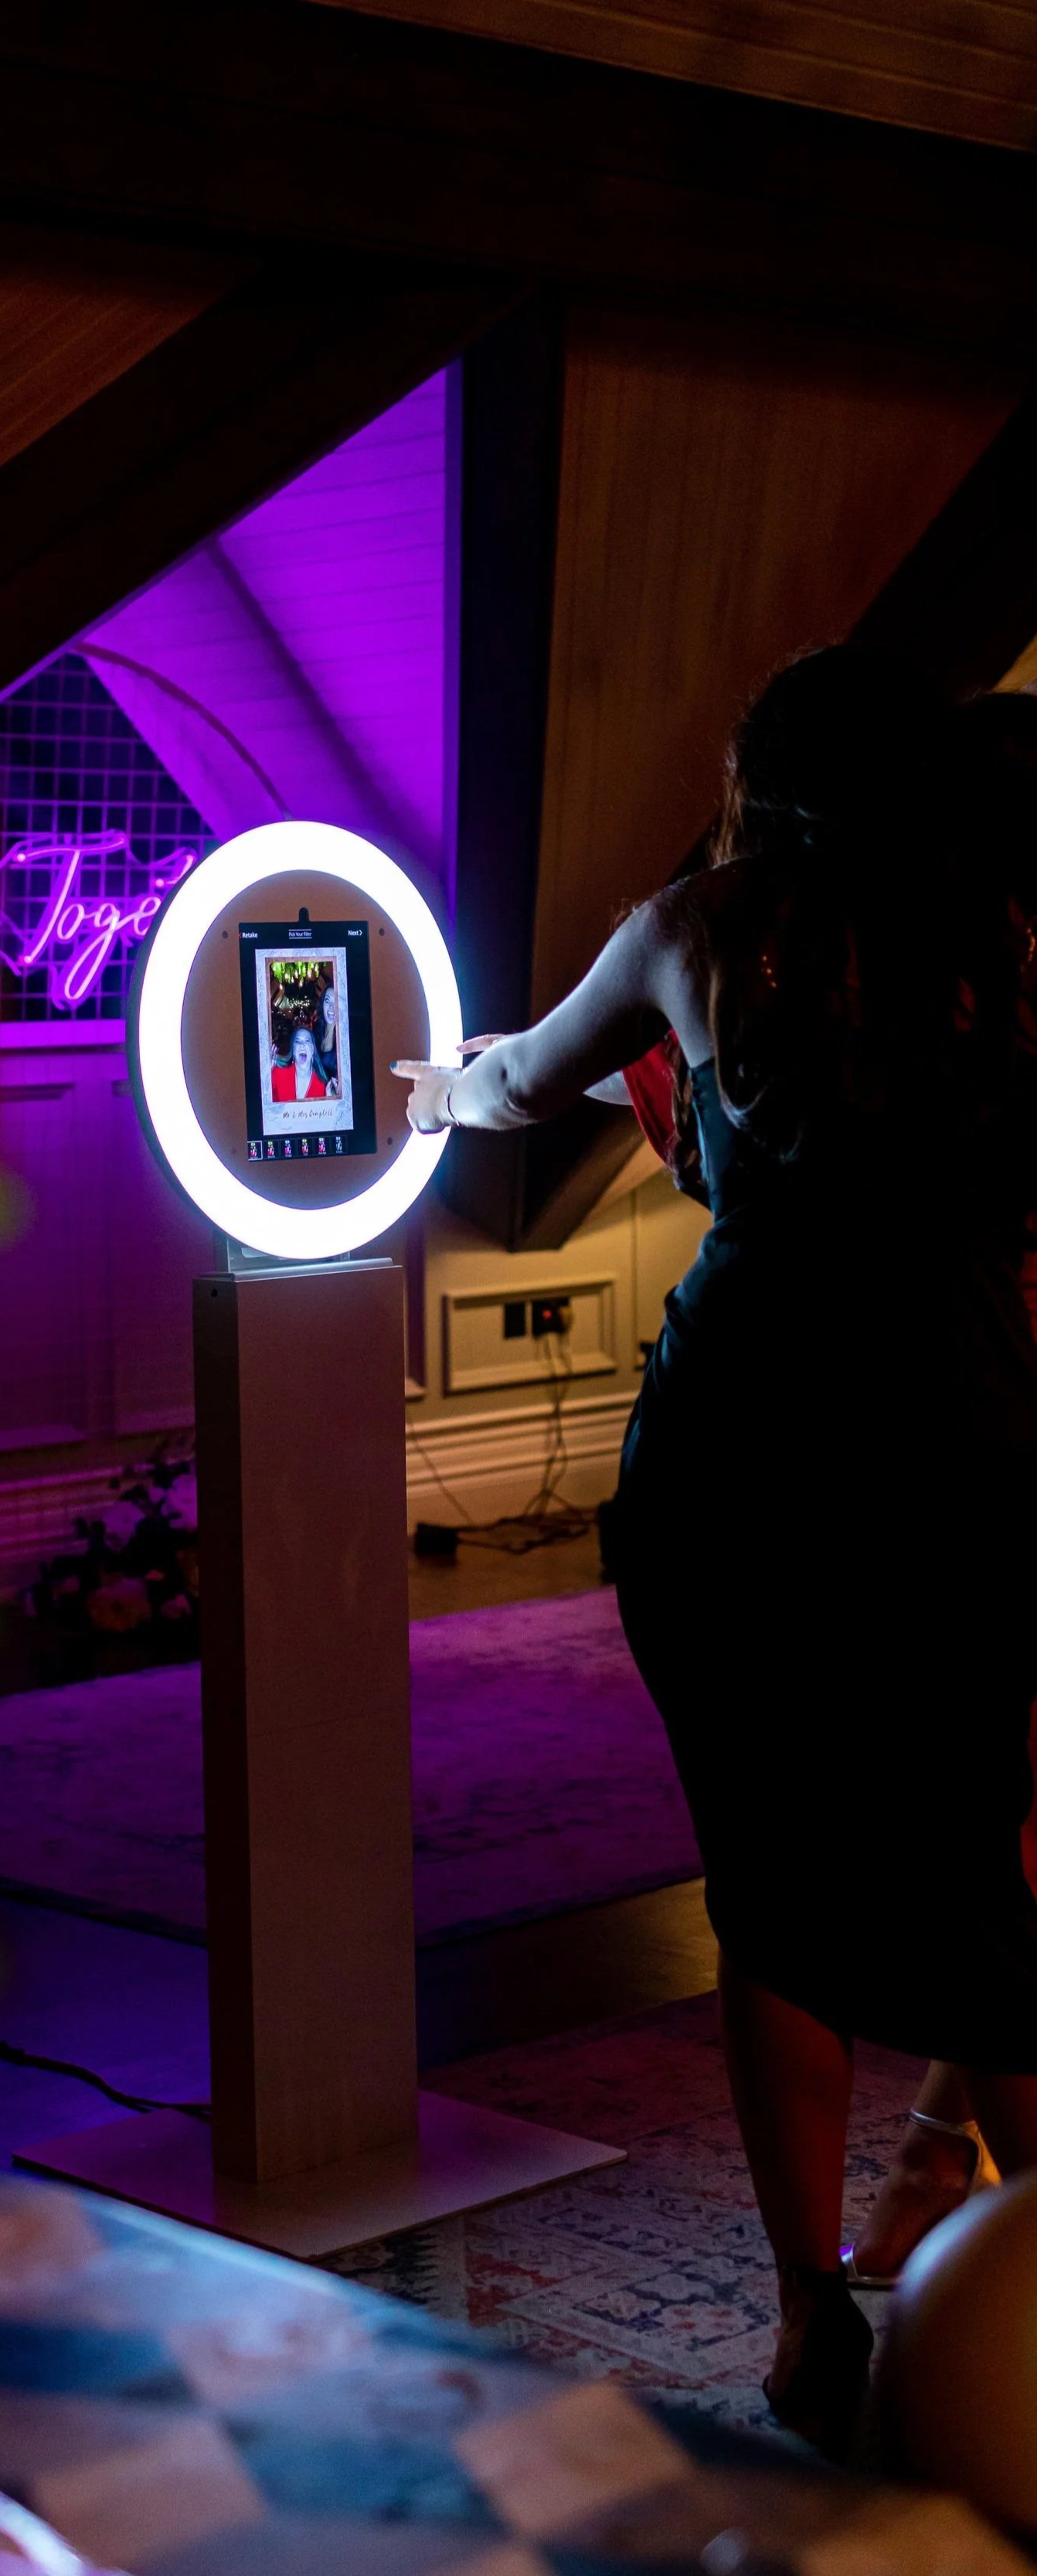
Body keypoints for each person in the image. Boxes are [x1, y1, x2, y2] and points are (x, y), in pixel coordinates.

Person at [397, 646, 1037, 2453]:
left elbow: (523, 1081)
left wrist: (440, 1093)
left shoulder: (703, 930)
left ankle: (809, 2314)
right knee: (976, 1865)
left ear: (767, 783)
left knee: (770, 1884)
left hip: (746, 1450)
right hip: (965, 1440)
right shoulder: (992, 940)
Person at [272, 1022, 338, 1102]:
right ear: (293, 1051)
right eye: (298, 1042)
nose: (302, 1045)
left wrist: (329, 1101)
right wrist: (265, 1074)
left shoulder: (324, 1086)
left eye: (307, 1041)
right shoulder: (277, 1072)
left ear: (313, 1050)